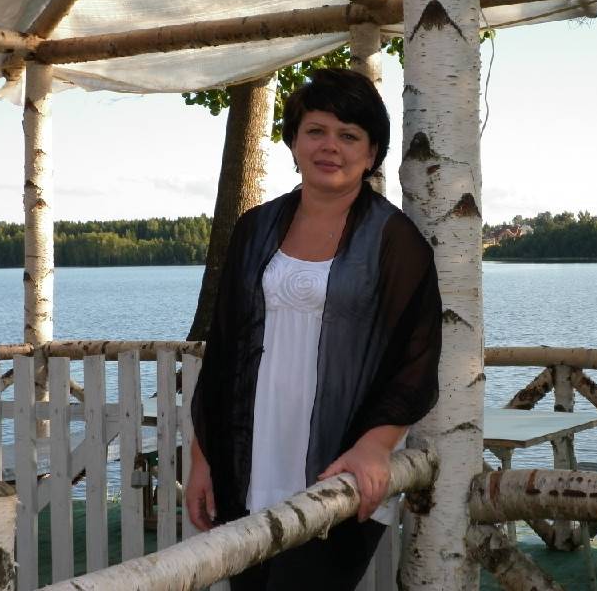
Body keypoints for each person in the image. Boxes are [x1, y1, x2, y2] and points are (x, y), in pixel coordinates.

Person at [186, 68, 441, 591]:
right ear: (294, 141)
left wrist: (375, 446)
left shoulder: (395, 240)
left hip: (340, 467)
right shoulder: (254, 228)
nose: (330, 147)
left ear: (371, 153)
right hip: (245, 467)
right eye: (316, 131)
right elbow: (224, 351)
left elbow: (416, 358)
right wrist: (202, 458)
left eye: (349, 135)